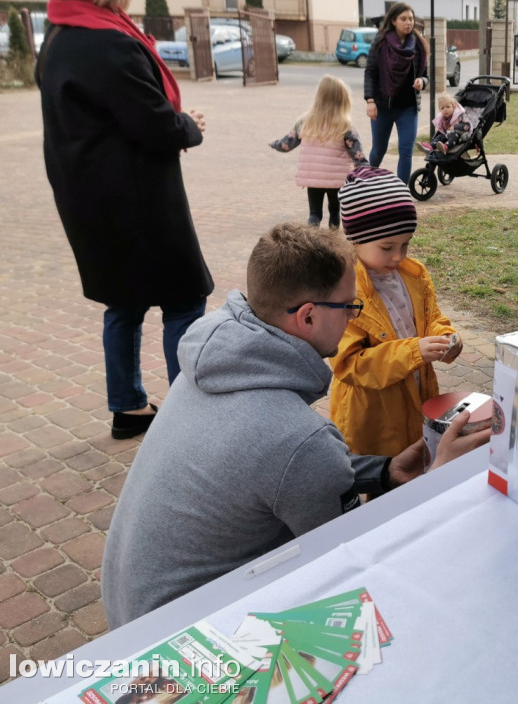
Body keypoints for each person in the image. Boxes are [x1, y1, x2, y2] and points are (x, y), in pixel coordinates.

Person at [102, 223, 488, 629]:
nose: (352, 317)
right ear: (307, 316)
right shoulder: (300, 439)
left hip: (134, 614)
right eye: (349, 307)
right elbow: (359, 559)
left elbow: (275, 470)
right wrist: (436, 481)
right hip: (188, 648)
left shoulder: (209, 369)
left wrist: (383, 471)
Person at [37, 0, 212, 440]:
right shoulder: (107, 41)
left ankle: (128, 406)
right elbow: (154, 126)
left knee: (125, 302)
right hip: (137, 203)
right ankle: (186, 415)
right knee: (185, 299)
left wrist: (171, 120)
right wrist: (188, 125)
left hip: (89, 200)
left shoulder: (61, 36)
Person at [329, 167, 463, 458]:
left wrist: (445, 337)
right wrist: (415, 352)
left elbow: (432, 320)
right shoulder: (344, 292)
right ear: (355, 240)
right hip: (372, 420)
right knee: (383, 482)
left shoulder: (413, 275)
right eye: (387, 246)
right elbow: (350, 365)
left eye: (405, 244)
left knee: (416, 464)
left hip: (418, 399)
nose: (399, 256)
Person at [270, 75, 367, 229]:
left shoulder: (306, 122)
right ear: (343, 101)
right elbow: (359, 156)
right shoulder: (345, 127)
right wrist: (366, 174)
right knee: (335, 212)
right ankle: (333, 242)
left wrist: (275, 144)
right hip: (336, 180)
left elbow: (287, 144)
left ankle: (312, 242)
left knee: (314, 214)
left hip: (313, 178)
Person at [364, 3, 430, 184]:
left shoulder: (417, 45)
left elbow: (426, 76)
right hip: (383, 106)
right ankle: (367, 183)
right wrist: (370, 101)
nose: (408, 22)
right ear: (393, 21)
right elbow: (370, 72)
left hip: (407, 108)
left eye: (411, 18)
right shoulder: (380, 42)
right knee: (378, 150)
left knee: (406, 150)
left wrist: (421, 82)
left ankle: (402, 192)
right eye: (403, 19)